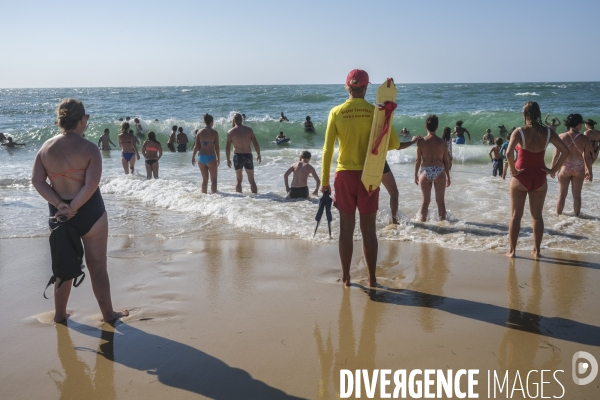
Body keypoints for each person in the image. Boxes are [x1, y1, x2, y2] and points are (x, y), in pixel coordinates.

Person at [31, 98, 128, 323]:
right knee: (97, 265)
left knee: (63, 267)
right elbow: (91, 184)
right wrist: (75, 206)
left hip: (59, 216)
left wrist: (61, 205)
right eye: (86, 119)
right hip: (90, 212)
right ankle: (108, 315)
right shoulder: (89, 148)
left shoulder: (45, 148)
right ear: (82, 119)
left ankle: (60, 315)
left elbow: (37, 181)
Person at [321, 69, 405, 288]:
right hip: (370, 174)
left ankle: (347, 278)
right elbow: (394, 143)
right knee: (369, 230)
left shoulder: (336, 112)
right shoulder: (376, 111)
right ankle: (372, 279)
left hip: (344, 175)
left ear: (347, 87)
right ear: (367, 88)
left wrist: (324, 182)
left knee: (346, 230)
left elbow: (328, 150)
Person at [505, 101, 570, 259]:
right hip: (540, 178)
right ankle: (537, 251)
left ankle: (512, 251)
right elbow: (565, 151)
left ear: (525, 115)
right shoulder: (548, 132)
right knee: (537, 216)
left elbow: (508, 154)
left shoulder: (519, 132)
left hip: (521, 177)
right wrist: (553, 170)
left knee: (515, 216)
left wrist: (514, 171)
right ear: (538, 114)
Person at [551, 113, 593, 216]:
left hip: (565, 167)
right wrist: (589, 171)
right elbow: (587, 157)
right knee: (577, 196)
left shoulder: (561, 136)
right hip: (579, 168)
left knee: (561, 195)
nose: (582, 125)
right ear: (578, 124)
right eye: (581, 123)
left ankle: (558, 216)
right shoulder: (584, 138)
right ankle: (577, 218)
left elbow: (556, 154)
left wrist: (553, 169)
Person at [414, 115, 451, 222]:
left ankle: (422, 226)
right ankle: (443, 226)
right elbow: (446, 162)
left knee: (425, 202)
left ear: (426, 126)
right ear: (437, 127)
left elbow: (417, 160)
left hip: (425, 172)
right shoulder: (443, 143)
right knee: (440, 202)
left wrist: (416, 174)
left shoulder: (420, 142)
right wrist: (448, 176)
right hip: (439, 172)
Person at [381, 135, 422, 225]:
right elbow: (398, 146)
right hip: (379, 161)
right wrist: (412, 141)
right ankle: (394, 221)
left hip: (360, 162)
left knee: (367, 194)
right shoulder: (383, 126)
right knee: (394, 193)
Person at [226, 113, 261, 193]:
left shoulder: (230, 132)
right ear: (242, 120)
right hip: (248, 156)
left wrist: (228, 159)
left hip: (237, 156)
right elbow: (255, 143)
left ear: (234, 120)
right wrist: (259, 155)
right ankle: (256, 198)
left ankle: (239, 200)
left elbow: (228, 147)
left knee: (238, 180)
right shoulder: (249, 130)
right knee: (252, 180)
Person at [192, 113, 220, 194]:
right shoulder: (215, 133)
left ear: (204, 122)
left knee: (204, 180)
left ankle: (203, 198)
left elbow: (196, 146)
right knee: (214, 180)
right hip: (211, 157)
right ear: (211, 122)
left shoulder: (199, 132)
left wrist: (193, 157)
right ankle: (214, 199)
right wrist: (218, 158)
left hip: (201, 157)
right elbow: (217, 147)